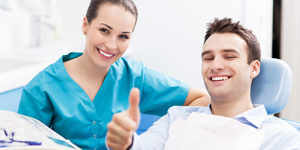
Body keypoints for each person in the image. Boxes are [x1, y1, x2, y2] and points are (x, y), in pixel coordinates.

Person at [17, 0, 210, 150]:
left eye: (123, 36)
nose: (111, 45)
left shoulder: (134, 77)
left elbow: (202, 98)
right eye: (104, 30)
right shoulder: (41, 89)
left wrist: (157, 138)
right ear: (85, 25)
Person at [106, 18, 300, 150]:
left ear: (254, 68)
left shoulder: (283, 138)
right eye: (208, 58)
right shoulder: (176, 117)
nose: (215, 65)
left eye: (229, 56)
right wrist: (126, 141)